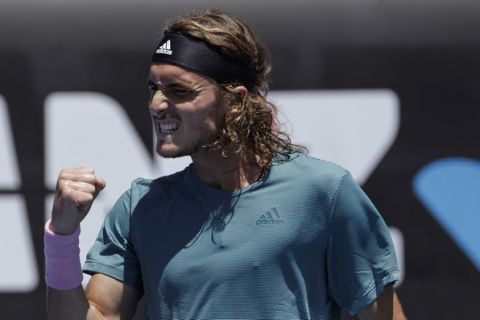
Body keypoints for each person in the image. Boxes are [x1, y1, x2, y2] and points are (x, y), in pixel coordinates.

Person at [44, 8, 406, 320]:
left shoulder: (325, 192)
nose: (156, 105)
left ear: (235, 101)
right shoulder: (140, 208)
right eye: (153, 88)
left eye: (180, 90)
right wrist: (61, 238)